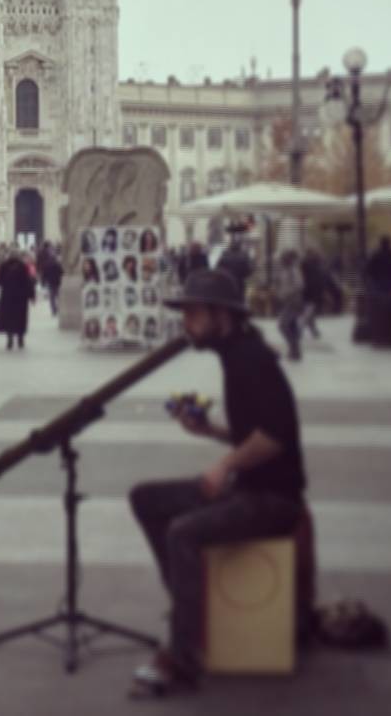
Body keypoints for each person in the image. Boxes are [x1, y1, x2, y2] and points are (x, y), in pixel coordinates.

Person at [128, 269, 306, 698]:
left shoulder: (251, 359)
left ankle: (185, 658)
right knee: (147, 499)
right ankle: (191, 609)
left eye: (193, 313)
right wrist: (210, 431)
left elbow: (277, 437)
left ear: (220, 315)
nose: (186, 322)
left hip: (273, 498)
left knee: (183, 532)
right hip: (249, 486)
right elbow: (255, 432)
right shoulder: (234, 354)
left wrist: (224, 464)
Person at [367, 235, 391, 349]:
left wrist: (373, 283)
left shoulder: (375, 256)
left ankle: (379, 338)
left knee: (378, 315)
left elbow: (369, 271)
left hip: (378, 289)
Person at [0, 251, 35, 349]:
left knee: (9, 317)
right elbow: (28, 282)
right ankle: (20, 338)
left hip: (7, 296)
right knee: (20, 317)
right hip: (21, 297)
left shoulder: (4, 266)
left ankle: (10, 338)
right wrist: (31, 296)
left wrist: (5, 284)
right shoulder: (23, 267)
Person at [275, 249, 304, 361]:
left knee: (283, 325)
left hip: (293, 301)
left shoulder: (293, 270)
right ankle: (295, 351)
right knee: (292, 326)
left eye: (283, 258)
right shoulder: (285, 270)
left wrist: (285, 293)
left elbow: (299, 285)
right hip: (287, 301)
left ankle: (294, 347)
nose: (281, 260)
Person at [40, 242, 64, 316]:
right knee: (58, 296)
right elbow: (61, 272)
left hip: (50, 282)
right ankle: (59, 308)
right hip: (57, 282)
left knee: (52, 297)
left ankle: (54, 310)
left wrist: (43, 282)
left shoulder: (46, 264)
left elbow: (44, 274)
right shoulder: (57, 264)